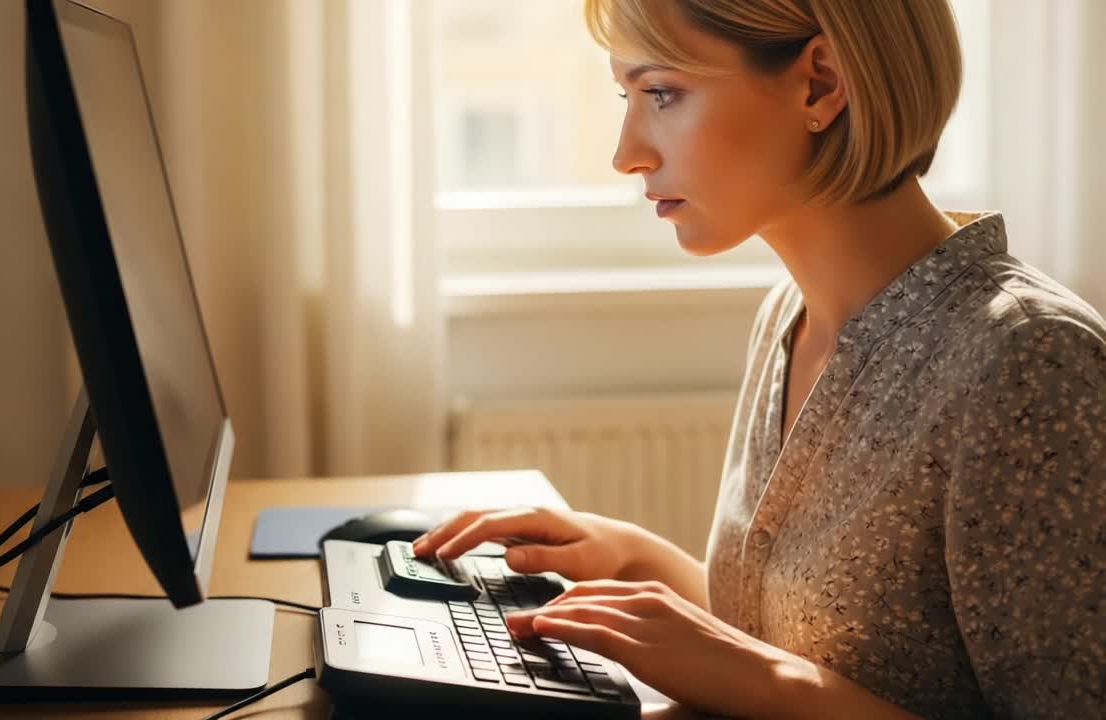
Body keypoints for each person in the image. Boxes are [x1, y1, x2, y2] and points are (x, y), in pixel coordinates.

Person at [413, 1, 1106, 718]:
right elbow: (808, 647)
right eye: (629, 97)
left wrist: (766, 683)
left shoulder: (1028, 362)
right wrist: (629, 556)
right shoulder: (790, 313)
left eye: (661, 94)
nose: (627, 154)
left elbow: (778, 676)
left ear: (821, 85)